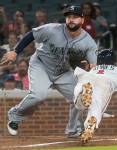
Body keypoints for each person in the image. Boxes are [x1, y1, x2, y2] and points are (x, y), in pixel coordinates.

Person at [0, 5, 98, 137]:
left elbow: (93, 65)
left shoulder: (88, 42)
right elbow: (31, 35)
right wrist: (15, 51)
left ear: (82, 20)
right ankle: (15, 115)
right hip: (41, 65)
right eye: (69, 17)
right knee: (39, 95)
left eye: (75, 17)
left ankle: (73, 130)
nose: (71, 20)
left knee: (80, 96)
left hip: (63, 71)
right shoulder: (52, 29)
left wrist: (89, 68)